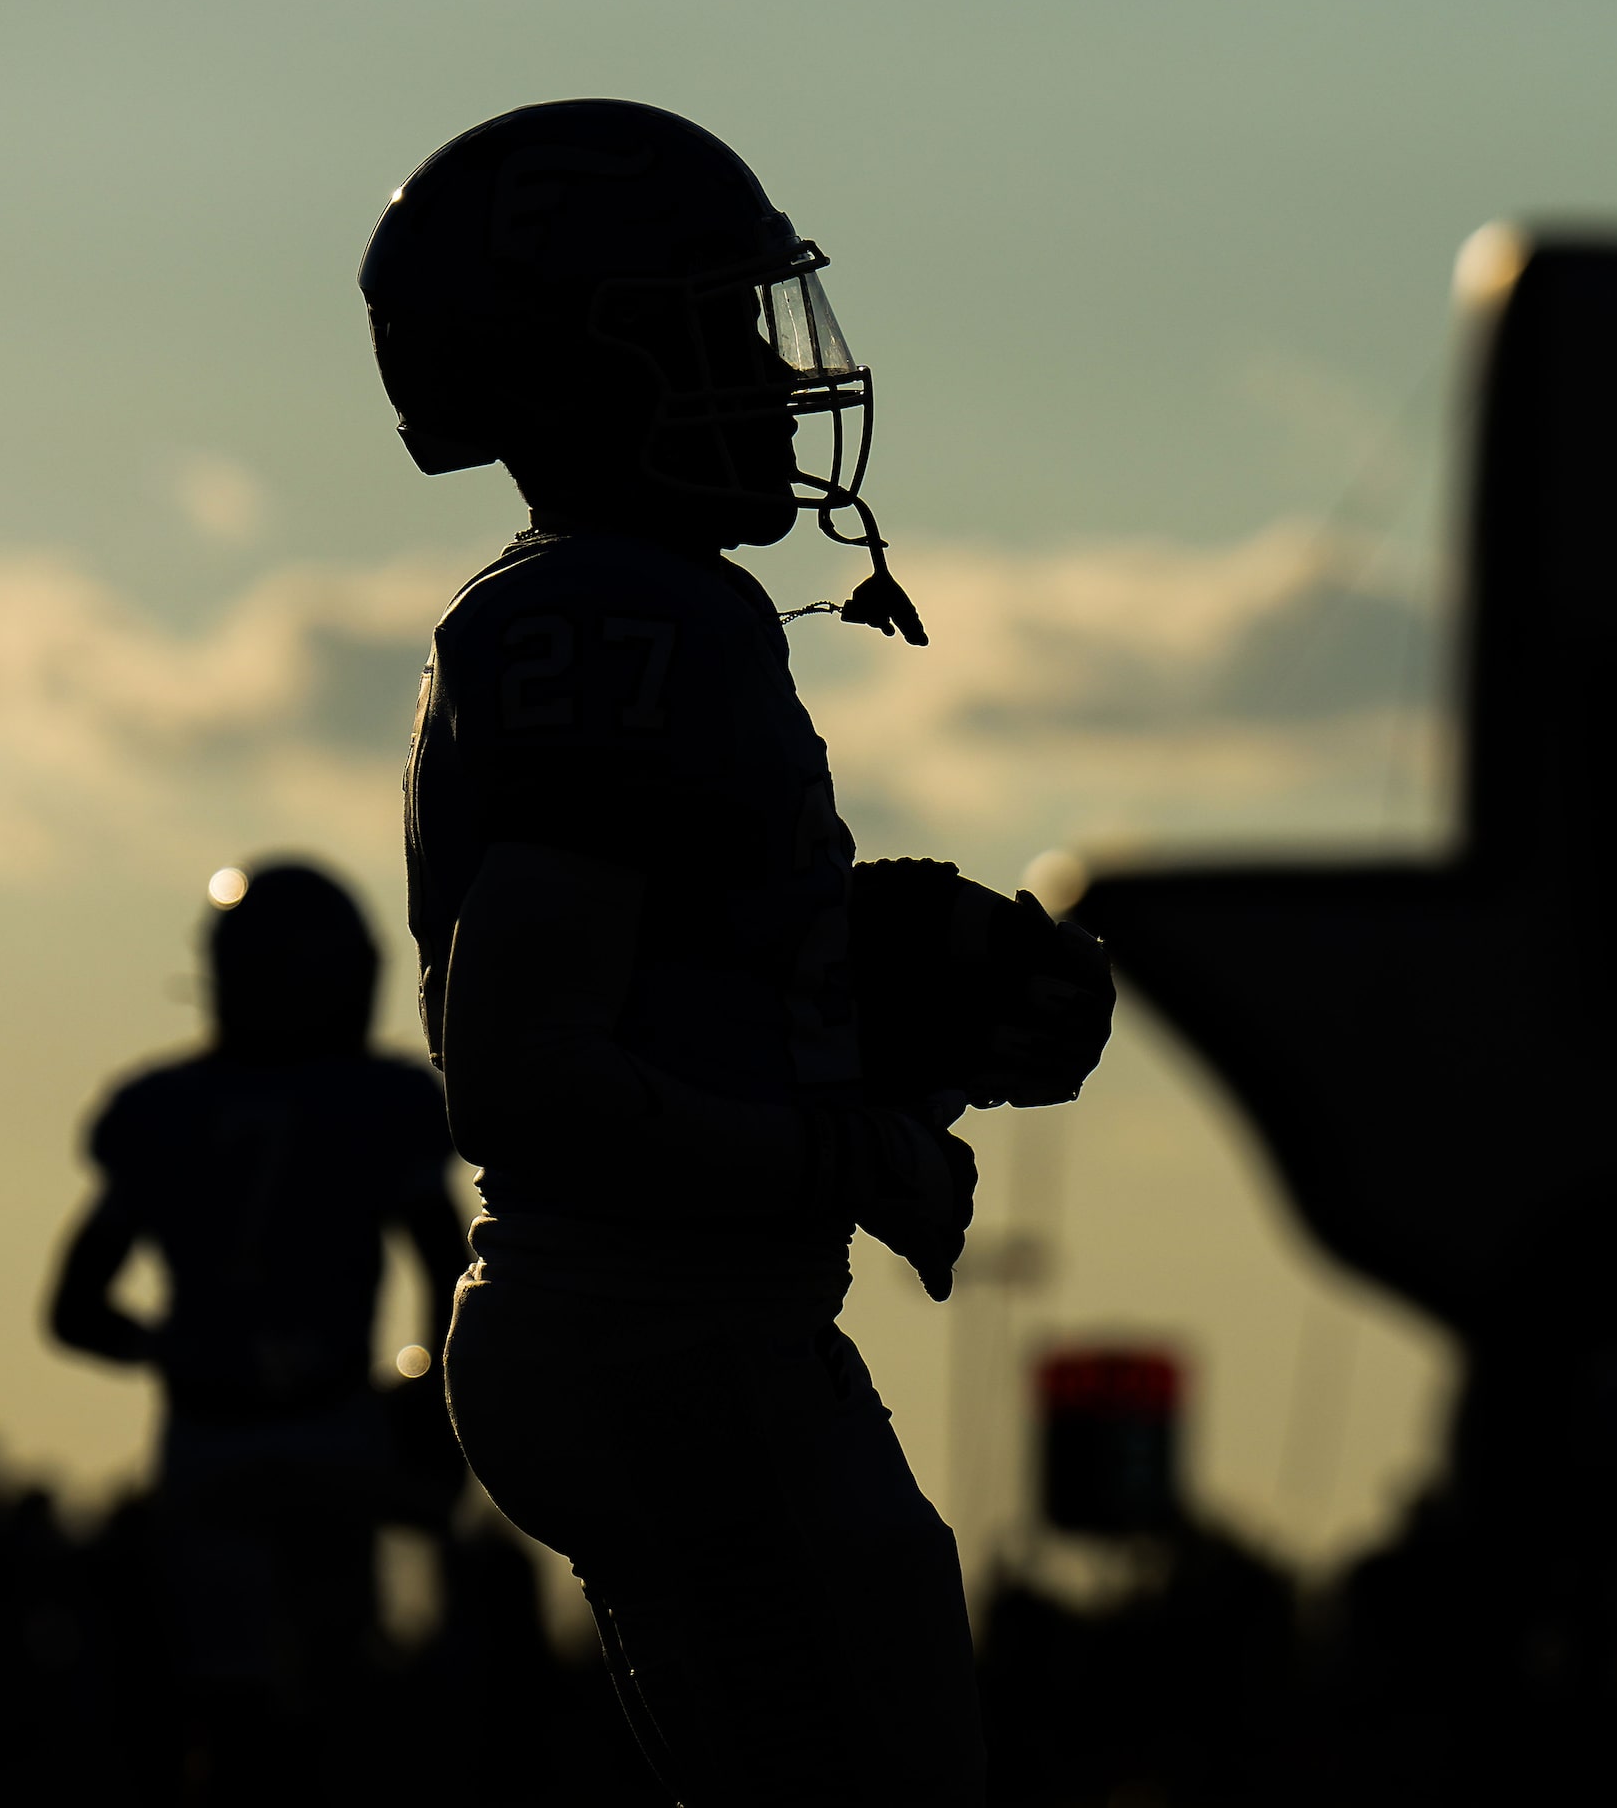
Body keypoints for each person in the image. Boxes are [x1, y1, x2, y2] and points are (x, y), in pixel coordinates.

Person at [363, 98, 1103, 1805]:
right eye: (705, 329)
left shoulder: (598, 601)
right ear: (558, 371)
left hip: (636, 1315)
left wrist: (857, 995)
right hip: (654, 1318)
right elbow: (529, 1069)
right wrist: (839, 1147)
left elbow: (631, 984)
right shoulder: (615, 611)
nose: (767, 376)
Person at [47, 860, 464, 1797]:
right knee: (350, 1702)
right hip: (334, 1428)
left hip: (208, 1433)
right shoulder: (377, 1103)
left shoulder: (164, 1111)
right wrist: (431, 1405)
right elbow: (449, 1272)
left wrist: (183, 1349)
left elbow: (75, 1309)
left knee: (230, 1713)